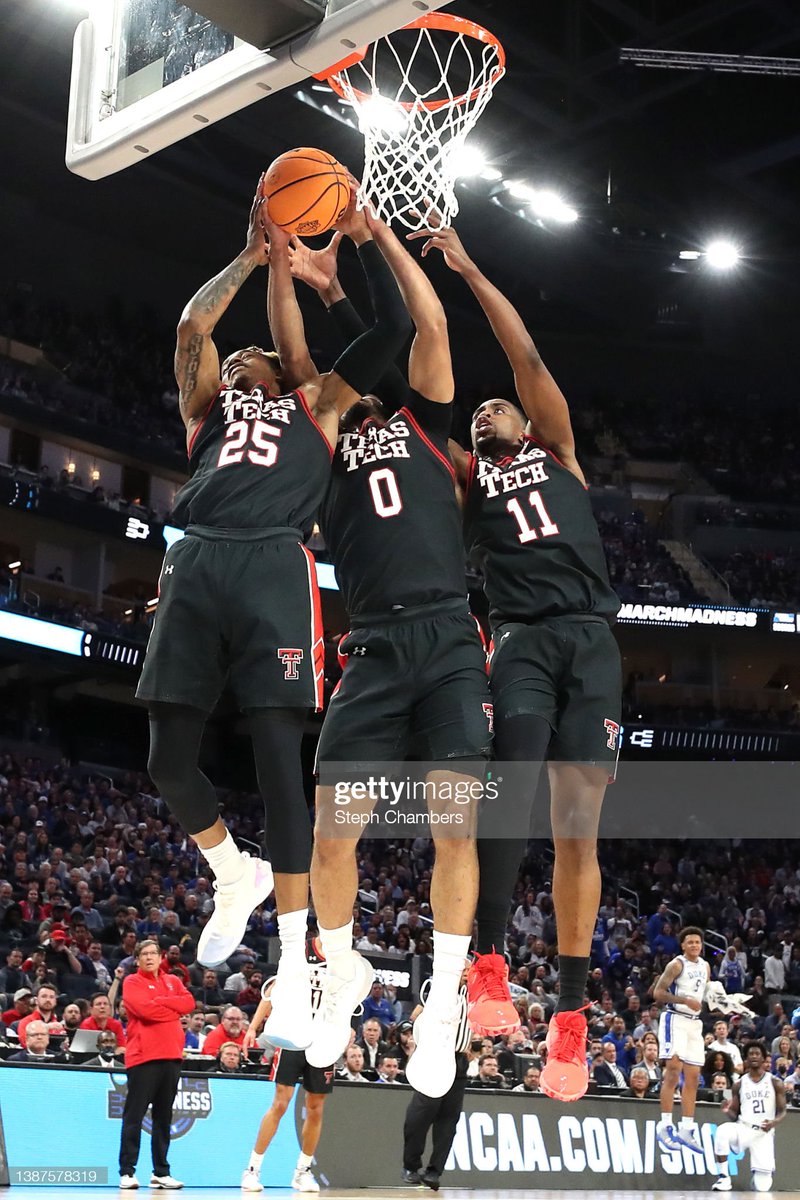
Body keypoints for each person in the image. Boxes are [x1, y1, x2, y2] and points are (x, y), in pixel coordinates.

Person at [135, 178, 411, 1055]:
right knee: (166, 758)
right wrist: (254, 258)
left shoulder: (320, 404)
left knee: (280, 765)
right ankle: (232, 872)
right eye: (242, 351)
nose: (250, 351)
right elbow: (191, 329)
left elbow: (391, 335)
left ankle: (295, 968)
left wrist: (354, 250)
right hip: (198, 554)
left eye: (263, 349)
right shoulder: (204, 406)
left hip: (274, 564)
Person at [283, 212, 493, 1100]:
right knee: (334, 834)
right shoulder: (322, 433)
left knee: (456, 825)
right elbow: (319, 364)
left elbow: (422, 326)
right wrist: (289, 279)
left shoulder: (428, 419)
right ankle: (338, 972)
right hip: (369, 641)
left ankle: (442, 996)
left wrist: (372, 238)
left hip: (447, 634)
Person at [411, 222, 622, 1101]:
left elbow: (523, 350)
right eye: (478, 410)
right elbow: (417, 414)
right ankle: (489, 957)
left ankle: (570, 1018)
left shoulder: (559, 449)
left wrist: (465, 265)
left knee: (578, 825)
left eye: (496, 406)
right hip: (525, 638)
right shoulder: (465, 479)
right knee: (510, 782)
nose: (485, 409)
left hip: (593, 640)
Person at [240, 941, 332, 1193]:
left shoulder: (344, 957)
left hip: (323, 1041)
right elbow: (274, 991)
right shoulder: (301, 952)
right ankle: (252, 1170)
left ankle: (302, 1172)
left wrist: (347, 1031)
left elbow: (350, 1001)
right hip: (293, 1035)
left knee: (316, 1107)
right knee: (281, 1102)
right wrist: (252, 1026)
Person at [118, 939, 194, 1190]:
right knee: (135, 1115)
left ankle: (161, 1171)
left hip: (171, 1056)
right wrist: (172, 1009)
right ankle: (127, 1171)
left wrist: (161, 1003)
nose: (150, 957)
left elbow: (189, 1004)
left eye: (154, 953)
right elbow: (144, 1011)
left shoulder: (173, 980)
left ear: (161, 957)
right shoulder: (131, 982)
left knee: (164, 1117)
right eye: (145, 954)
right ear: (137, 959)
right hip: (143, 1058)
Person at [653, 926, 710, 1152]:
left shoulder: (705, 966)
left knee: (694, 1076)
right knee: (674, 1071)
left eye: (697, 942)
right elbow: (658, 993)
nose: (694, 945)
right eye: (690, 942)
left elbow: (704, 994)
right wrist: (685, 1000)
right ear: (683, 945)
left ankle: (686, 1129)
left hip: (694, 1023)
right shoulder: (676, 964)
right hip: (674, 1018)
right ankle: (665, 1126)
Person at [712, 1042, 787, 1193]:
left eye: (757, 1054)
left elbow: (782, 1111)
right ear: (745, 1059)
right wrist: (727, 1111)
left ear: (763, 1059)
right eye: (750, 1054)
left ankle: (757, 1180)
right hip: (744, 1127)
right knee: (722, 1131)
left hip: (763, 1133)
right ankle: (724, 1178)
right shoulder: (739, 1084)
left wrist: (773, 1122)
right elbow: (734, 1116)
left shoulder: (775, 1082)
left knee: (762, 1187)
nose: (753, 1056)